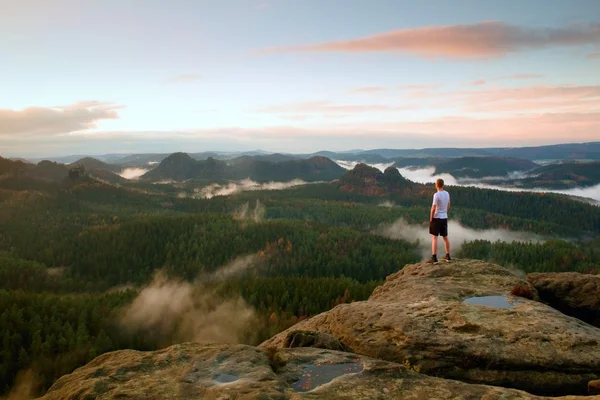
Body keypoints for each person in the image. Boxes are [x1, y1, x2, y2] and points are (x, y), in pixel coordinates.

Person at [426, 178, 451, 264]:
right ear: (442, 185)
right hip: (444, 217)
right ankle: (448, 256)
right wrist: (445, 213)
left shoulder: (436, 195)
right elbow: (448, 205)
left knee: (434, 238)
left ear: (436, 185)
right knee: (445, 237)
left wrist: (431, 218)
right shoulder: (447, 193)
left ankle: (434, 258)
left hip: (436, 218)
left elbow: (433, 208)